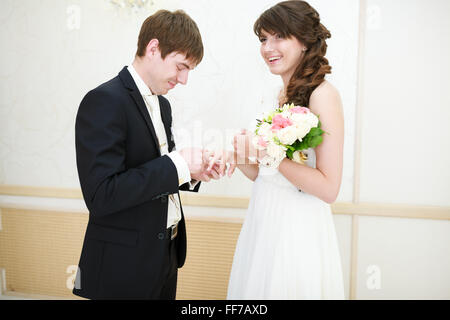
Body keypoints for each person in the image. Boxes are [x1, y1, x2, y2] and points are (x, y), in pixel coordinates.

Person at [73, 9, 220, 299]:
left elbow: (155, 173)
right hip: (122, 263)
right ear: (153, 48)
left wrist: (191, 173)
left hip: (167, 255)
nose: (185, 79)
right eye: (181, 66)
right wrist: (178, 164)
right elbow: (101, 195)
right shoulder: (104, 100)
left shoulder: (163, 106)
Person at [226, 0, 345, 299]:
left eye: (279, 36)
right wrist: (240, 156)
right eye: (263, 39)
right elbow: (266, 175)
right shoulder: (275, 94)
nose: (268, 47)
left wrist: (266, 152)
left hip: (297, 228)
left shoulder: (323, 95)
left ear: (304, 41)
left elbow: (329, 187)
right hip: (263, 218)